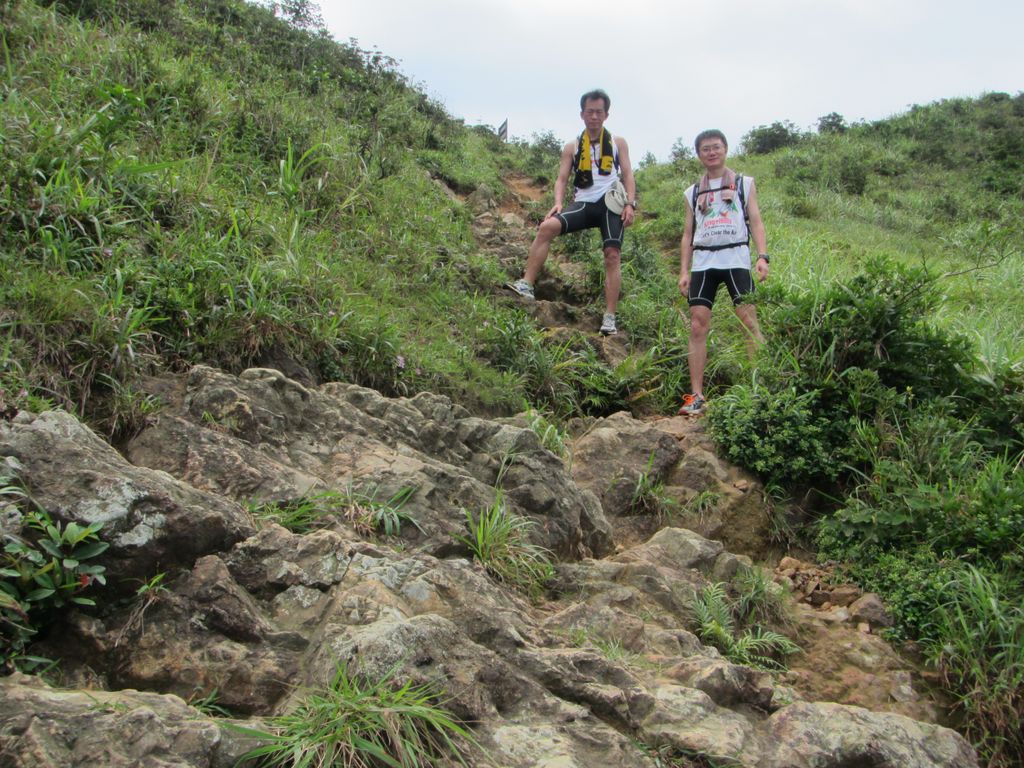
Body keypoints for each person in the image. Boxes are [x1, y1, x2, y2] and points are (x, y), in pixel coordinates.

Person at [505, 89, 637, 335]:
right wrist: (557, 202)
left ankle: (610, 317)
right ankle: (526, 284)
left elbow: (628, 174)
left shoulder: (618, 143)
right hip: (584, 203)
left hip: (610, 204)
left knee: (612, 254)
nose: (594, 116)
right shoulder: (572, 146)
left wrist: (630, 203)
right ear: (582, 114)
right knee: (547, 227)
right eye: (590, 111)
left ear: (606, 115)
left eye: (599, 112)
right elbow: (562, 178)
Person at [677, 129, 769, 415]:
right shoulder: (693, 192)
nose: (712, 152)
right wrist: (684, 271)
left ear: (725, 149)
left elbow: (756, 220)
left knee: (748, 320)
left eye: (716, 147)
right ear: (699, 154)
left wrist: (762, 256)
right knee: (697, 325)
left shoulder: (744, 183)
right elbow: (687, 233)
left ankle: (758, 390)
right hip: (703, 262)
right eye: (705, 149)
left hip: (736, 258)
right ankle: (696, 396)